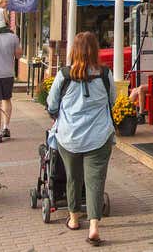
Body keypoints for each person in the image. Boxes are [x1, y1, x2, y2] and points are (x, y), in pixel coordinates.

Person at [48, 32, 115, 246]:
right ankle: (94, 226)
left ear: (73, 51)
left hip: (70, 137)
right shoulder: (105, 74)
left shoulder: (64, 75)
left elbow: (51, 104)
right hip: (99, 136)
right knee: (95, 181)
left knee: (73, 177)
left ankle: (75, 218)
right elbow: (112, 101)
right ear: (96, 50)